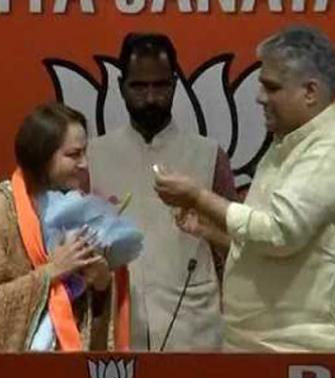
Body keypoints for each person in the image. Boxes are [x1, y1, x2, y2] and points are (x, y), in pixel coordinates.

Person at [154, 25, 335, 352]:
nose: (260, 97)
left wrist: (199, 196)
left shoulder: (333, 149)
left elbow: (279, 233)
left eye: (271, 87)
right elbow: (272, 247)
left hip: (313, 355)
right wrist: (213, 231)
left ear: (310, 92)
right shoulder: (287, 145)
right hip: (266, 348)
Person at [88, 33, 239, 351]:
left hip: (194, 330)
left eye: (160, 86)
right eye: (139, 87)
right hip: (120, 329)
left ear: (174, 84)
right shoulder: (93, 157)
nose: (150, 98)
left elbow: (236, 246)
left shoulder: (208, 155)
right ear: (121, 87)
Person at [0, 103, 132, 352]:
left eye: (85, 153)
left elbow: (86, 312)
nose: (84, 164)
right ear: (42, 156)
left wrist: (100, 284)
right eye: (74, 155)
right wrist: (52, 271)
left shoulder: (78, 211)